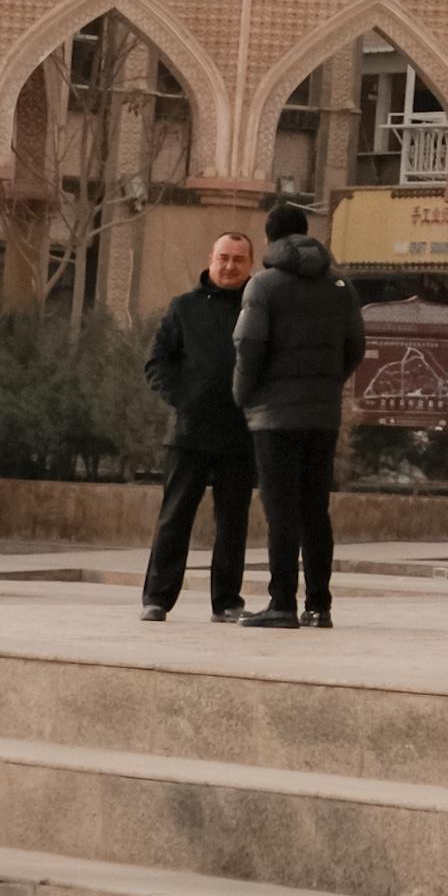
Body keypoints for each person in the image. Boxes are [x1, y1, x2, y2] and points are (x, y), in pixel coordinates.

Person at [231, 198, 366, 631]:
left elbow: (248, 348)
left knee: (281, 510)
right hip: (322, 414)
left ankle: (281, 603)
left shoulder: (263, 286)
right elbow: (355, 348)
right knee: (315, 508)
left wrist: (244, 396)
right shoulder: (340, 286)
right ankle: (319, 605)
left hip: (273, 416)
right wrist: (327, 384)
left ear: (269, 236)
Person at [139, 229, 256, 622]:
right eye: (223, 258)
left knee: (233, 523)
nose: (229, 266)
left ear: (250, 265)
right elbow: (157, 362)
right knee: (174, 517)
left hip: (242, 432)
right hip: (190, 430)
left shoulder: (259, 309)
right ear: (211, 259)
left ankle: (226, 602)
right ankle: (157, 598)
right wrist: (183, 399)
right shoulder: (183, 307)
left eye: (238, 260)